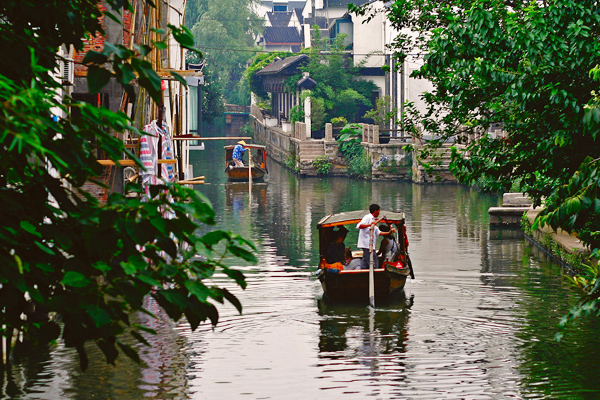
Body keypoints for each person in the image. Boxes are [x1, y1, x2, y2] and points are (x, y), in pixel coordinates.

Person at [356, 204, 395, 270]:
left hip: (370, 245)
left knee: (365, 261)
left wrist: (389, 232)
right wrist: (370, 225)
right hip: (367, 244)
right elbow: (359, 226)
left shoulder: (374, 220)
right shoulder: (367, 217)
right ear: (375, 211)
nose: (379, 213)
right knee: (374, 261)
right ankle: (376, 274)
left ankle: (361, 272)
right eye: (378, 211)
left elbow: (378, 232)